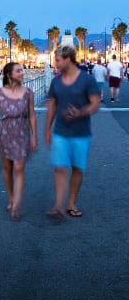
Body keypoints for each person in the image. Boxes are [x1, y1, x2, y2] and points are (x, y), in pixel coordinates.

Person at [45, 46, 99, 218]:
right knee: (60, 167)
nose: (56, 64)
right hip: (60, 132)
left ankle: (71, 203)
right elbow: (52, 105)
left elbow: (95, 103)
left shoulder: (87, 80)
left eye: (58, 60)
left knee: (77, 168)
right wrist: (47, 128)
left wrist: (81, 112)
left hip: (81, 133)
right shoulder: (56, 82)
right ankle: (59, 205)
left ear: (68, 59)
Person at [0, 62, 37, 221]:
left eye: (22, 70)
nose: (22, 73)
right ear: (9, 75)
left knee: (18, 168)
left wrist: (34, 136)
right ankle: (11, 198)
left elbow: (31, 115)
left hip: (22, 133)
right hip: (4, 133)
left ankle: (16, 203)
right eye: (18, 71)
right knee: (7, 168)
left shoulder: (29, 93)